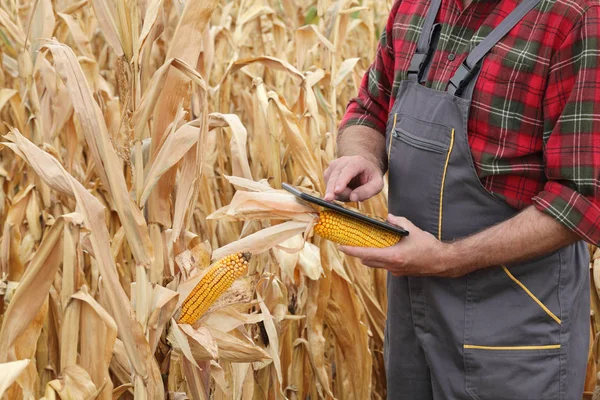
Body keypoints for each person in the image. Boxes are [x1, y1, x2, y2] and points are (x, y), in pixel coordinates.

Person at [323, 0, 600, 397]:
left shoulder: (573, 16)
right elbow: (369, 110)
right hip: (411, 315)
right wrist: (361, 155)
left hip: (513, 332)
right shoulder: (414, 6)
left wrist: (447, 259)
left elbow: (581, 198)